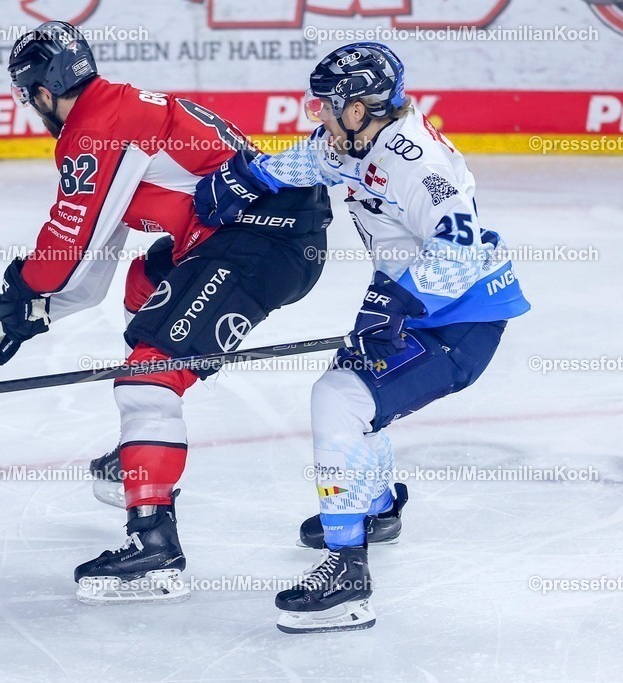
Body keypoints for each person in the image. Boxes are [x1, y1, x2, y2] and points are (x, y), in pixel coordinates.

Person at [0, 20, 333, 604]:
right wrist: (29, 314)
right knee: (143, 287)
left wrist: (11, 304)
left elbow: (66, 249)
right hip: (243, 236)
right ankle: (142, 448)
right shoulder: (116, 109)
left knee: (147, 380)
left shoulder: (97, 129)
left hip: (261, 244)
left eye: (30, 98)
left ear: (44, 92)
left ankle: (155, 546)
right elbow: (91, 270)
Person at [195, 42, 530, 631]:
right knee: (357, 394)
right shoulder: (359, 139)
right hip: (424, 308)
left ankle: (348, 576)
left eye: (326, 105)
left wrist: (397, 303)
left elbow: (462, 248)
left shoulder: (417, 163)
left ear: (357, 109)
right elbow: (315, 162)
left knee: (341, 399)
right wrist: (248, 176)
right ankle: (374, 509)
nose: (318, 115)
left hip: (461, 320)